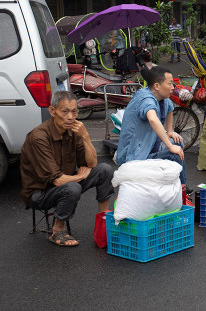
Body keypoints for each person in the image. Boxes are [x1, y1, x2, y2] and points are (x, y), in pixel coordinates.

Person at [20, 91, 114, 247]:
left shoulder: (74, 131)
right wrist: (79, 177)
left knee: (105, 170)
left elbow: (91, 163)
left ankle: (103, 221)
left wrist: (86, 137)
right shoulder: (39, 137)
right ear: (52, 111)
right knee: (72, 187)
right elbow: (57, 180)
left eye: (74, 111)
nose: (71, 117)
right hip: (40, 193)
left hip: (67, 182)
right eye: (65, 112)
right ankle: (58, 230)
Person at [116, 66, 187, 186]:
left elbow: (170, 108)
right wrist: (169, 146)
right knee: (174, 154)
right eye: (169, 83)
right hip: (135, 156)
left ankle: (171, 187)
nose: (172, 87)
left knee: (178, 142)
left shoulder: (162, 97)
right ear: (157, 86)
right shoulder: (145, 98)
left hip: (149, 146)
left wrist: (169, 131)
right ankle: (182, 190)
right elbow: (152, 119)